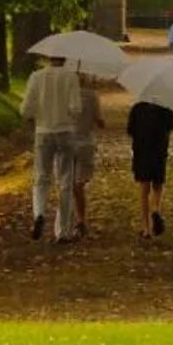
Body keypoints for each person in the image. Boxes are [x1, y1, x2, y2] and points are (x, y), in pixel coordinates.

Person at [19, 54, 81, 242]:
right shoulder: (71, 77)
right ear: (65, 59)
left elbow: (25, 110)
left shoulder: (36, 77)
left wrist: (36, 115)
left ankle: (39, 213)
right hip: (65, 132)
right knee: (65, 181)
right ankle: (62, 232)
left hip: (43, 132)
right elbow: (76, 108)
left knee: (41, 177)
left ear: (48, 57)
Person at [126, 95, 173, 237]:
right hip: (159, 152)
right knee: (158, 185)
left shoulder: (137, 109)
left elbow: (130, 131)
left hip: (142, 151)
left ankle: (146, 228)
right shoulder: (166, 110)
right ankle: (156, 209)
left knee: (144, 189)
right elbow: (169, 130)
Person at [70, 77, 104, 234]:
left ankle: (67, 220)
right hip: (85, 144)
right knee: (79, 185)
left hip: (67, 143)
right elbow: (99, 121)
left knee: (68, 184)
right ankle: (81, 220)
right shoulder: (92, 96)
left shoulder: (65, 95)